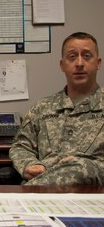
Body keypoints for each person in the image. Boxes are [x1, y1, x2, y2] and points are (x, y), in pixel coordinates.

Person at [9, 32, 104, 185]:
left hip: (92, 195)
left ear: (98, 63)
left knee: (82, 168)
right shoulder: (43, 108)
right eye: (72, 57)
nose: (79, 63)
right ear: (62, 65)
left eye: (87, 56)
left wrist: (86, 168)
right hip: (44, 195)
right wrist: (29, 165)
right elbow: (21, 146)